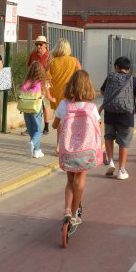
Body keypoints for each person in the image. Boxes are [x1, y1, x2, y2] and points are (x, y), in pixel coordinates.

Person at [52, 70, 99, 226]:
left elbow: (54, 125)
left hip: (67, 150)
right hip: (85, 150)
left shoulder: (64, 104)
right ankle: (74, 214)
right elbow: (98, 126)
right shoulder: (91, 107)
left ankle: (66, 209)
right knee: (80, 181)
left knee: (70, 180)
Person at [99, 56, 136, 180]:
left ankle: (110, 161)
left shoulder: (110, 77)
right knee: (124, 143)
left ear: (116, 67)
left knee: (109, 137)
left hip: (110, 114)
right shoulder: (133, 80)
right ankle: (121, 170)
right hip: (126, 116)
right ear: (128, 69)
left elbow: (102, 92)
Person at [47, 38, 81, 149]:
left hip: (56, 94)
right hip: (71, 93)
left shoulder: (52, 62)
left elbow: (47, 79)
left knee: (60, 119)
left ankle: (58, 145)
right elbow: (80, 77)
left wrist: (49, 94)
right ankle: (70, 143)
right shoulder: (74, 61)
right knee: (71, 119)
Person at [19, 61, 51, 158]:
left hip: (25, 109)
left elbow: (21, 91)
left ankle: (36, 150)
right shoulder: (42, 83)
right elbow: (47, 94)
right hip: (35, 109)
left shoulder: (27, 82)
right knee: (38, 130)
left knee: (31, 129)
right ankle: (32, 144)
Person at [28, 35, 51, 134]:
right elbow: (29, 67)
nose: (38, 46)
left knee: (44, 104)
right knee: (32, 103)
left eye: (40, 44)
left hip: (45, 82)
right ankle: (31, 125)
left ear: (45, 45)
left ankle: (46, 127)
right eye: (37, 44)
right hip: (33, 82)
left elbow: (51, 70)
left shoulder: (50, 56)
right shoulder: (33, 55)